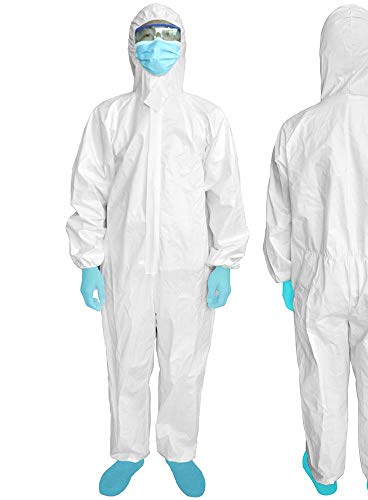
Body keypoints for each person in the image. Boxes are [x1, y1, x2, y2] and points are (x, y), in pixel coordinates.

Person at [66, 4, 248, 497]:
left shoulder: (206, 118)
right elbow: (90, 191)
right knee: (126, 360)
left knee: (184, 363)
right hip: (125, 265)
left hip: (188, 269)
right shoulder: (110, 116)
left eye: (168, 37)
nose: (157, 47)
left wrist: (225, 262)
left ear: (184, 46)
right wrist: (88, 262)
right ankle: (128, 452)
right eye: (147, 37)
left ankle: (180, 451)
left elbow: (225, 194)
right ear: (131, 47)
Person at [264, 5, 368, 495]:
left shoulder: (298, 129)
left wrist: (285, 273)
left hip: (318, 277)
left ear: (325, 55)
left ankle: (325, 472)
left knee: (322, 377)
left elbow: (280, 213)